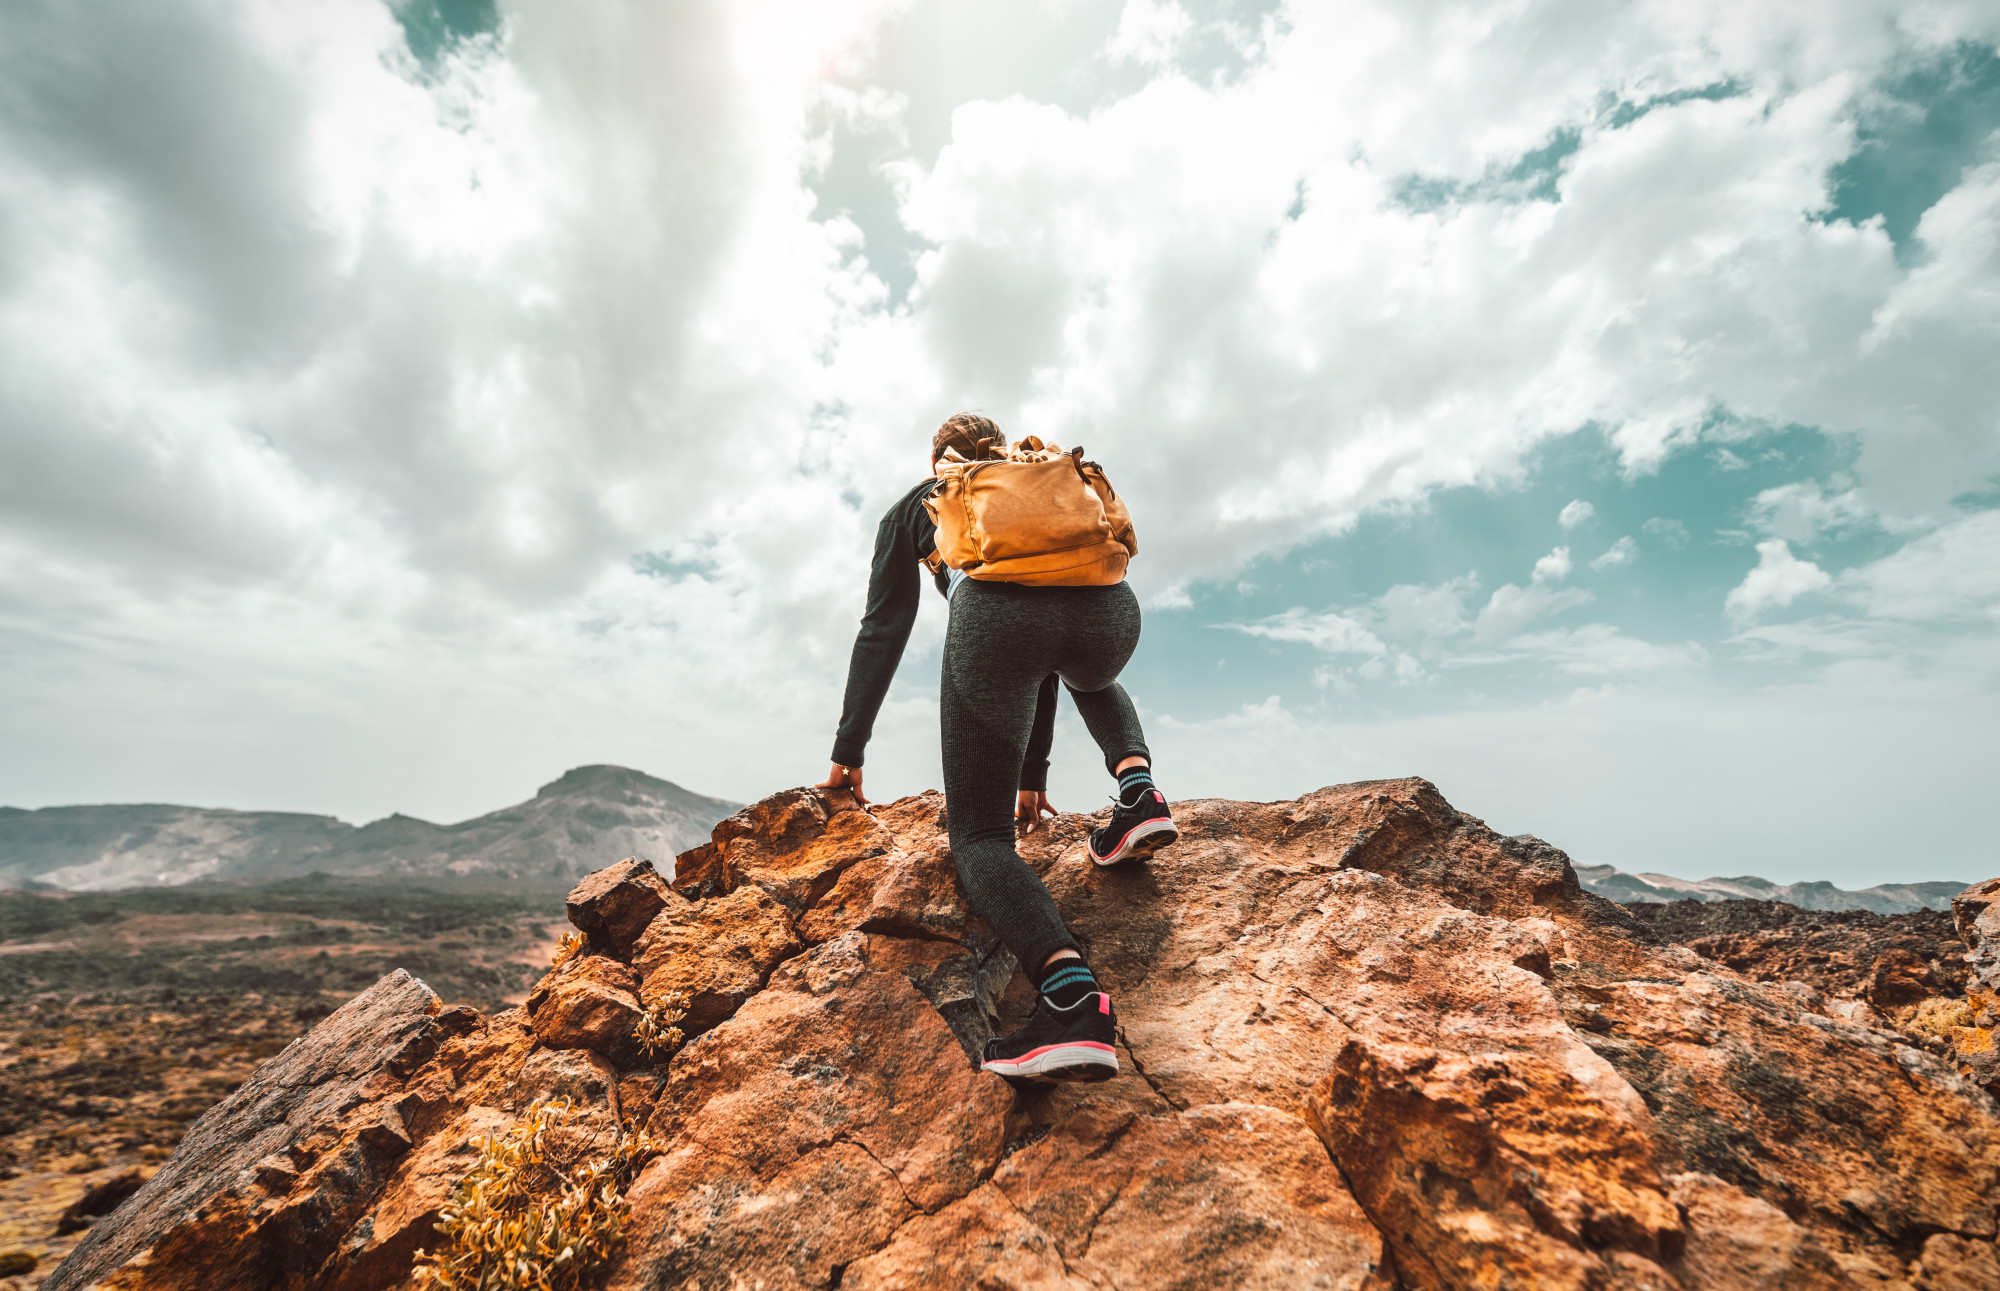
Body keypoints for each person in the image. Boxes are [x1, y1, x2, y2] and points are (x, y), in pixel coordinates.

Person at [818, 412, 1177, 1084]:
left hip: (997, 624)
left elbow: (882, 630)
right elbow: (1048, 648)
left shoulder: (921, 505)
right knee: (1082, 664)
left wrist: (850, 748)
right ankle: (1140, 792)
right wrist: (1032, 770)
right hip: (1111, 614)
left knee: (980, 840)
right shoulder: (1034, 477)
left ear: (939, 463)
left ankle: (1071, 1001)